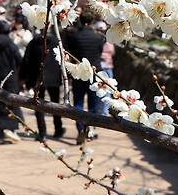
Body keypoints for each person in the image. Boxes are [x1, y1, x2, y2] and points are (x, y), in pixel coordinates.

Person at [64, 9, 105, 144]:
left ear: (80, 20)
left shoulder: (74, 36)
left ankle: (80, 128)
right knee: (93, 103)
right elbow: (100, 52)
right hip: (94, 73)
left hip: (78, 73)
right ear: (92, 21)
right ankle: (89, 128)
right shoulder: (98, 37)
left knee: (78, 102)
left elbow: (70, 52)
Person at [0, 13, 23, 144]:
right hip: (11, 78)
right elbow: (19, 60)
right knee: (11, 102)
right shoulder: (11, 45)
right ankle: (11, 130)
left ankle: (0, 134)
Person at [20, 30, 65, 139]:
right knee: (56, 105)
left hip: (37, 78)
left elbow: (26, 60)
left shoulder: (33, 43)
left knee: (38, 105)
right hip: (53, 78)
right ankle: (58, 129)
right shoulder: (56, 42)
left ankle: (42, 132)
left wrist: (22, 77)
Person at [93, 21, 115, 114]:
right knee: (99, 89)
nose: (101, 31)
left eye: (103, 30)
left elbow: (113, 53)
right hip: (100, 67)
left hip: (107, 67)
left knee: (109, 89)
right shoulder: (99, 40)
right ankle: (100, 110)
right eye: (99, 29)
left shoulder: (109, 41)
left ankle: (105, 111)